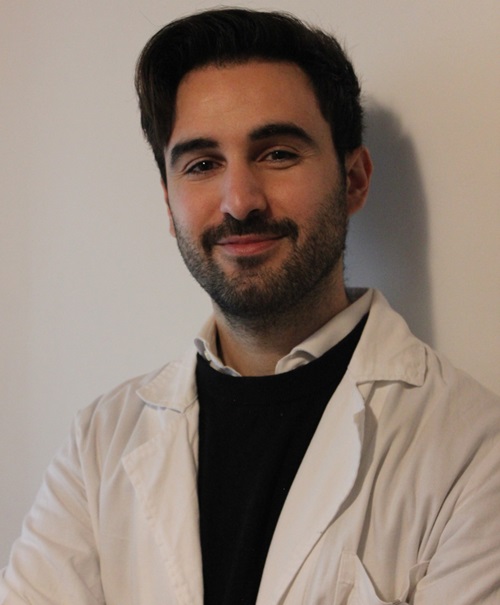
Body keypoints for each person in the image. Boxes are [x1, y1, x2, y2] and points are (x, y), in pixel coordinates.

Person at [1, 7, 500, 605]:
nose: (239, 201)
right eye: (202, 165)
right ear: (169, 204)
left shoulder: (473, 452)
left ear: (354, 180)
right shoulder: (98, 446)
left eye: (278, 153)